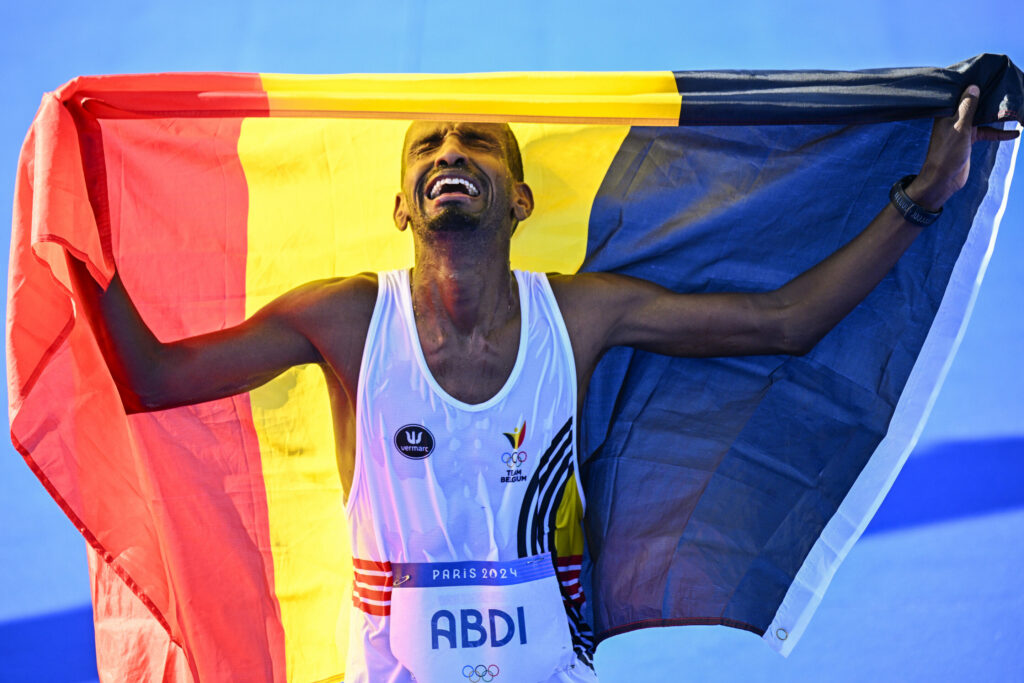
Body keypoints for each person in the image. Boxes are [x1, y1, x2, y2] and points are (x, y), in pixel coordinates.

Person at [70, 85, 1016, 682]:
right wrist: (75, 233)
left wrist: (921, 199)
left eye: (478, 143)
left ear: (518, 199)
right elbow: (153, 378)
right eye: (428, 145)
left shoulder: (582, 314)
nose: (450, 153)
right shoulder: (350, 320)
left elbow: (784, 322)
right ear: (401, 203)